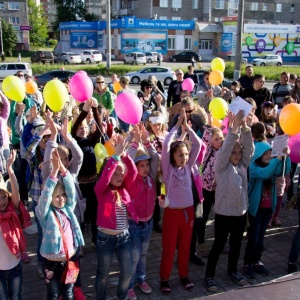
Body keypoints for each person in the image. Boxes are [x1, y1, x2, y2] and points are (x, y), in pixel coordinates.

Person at [204, 111, 254, 292]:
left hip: (240, 213)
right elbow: (225, 151)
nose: (237, 155)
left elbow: (249, 149)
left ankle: (232, 270)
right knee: (218, 245)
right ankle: (209, 275)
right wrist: (233, 132)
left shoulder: (242, 165)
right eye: (234, 152)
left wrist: (245, 128)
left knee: (236, 244)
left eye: (239, 152)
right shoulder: (221, 166)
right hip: (224, 214)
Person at [159, 109, 203, 295]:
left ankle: (184, 276)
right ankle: (164, 279)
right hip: (172, 214)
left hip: (189, 213)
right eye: (180, 155)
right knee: (169, 249)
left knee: (185, 248)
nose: (184, 157)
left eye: (186, 154)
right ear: (172, 157)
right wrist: (176, 128)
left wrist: (188, 130)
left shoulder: (189, 167)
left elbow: (199, 145)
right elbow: (166, 145)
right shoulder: (168, 169)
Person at [94, 136, 138, 300]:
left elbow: (133, 172)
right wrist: (115, 157)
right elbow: (105, 177)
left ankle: (122, 296)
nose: (120, 176)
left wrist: (124, 155)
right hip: (105, 239)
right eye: (116, 173)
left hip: (123, 237)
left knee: (127, 273)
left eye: (121, 172)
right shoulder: (101, 190)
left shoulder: (124, 188)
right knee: (103, 274)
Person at [36, 149, 85, 299]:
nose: (61, 199)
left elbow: (71, 188)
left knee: (69, 293)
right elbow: (45, 196)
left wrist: (63, 170)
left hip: (70, 261)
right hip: (51, 264)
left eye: (62, 195)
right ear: (50, 199)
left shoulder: (68, 208)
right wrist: (54, 171)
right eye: (56, 196)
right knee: (53, 294)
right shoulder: (44, 213)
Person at [243, 141, 291, 279]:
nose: (269, 155)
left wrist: (285, 157)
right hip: (255, 210)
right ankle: (247, 263)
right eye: (266, 153)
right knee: (254, 238)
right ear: (258, 154)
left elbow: (285, 170)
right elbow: (265, 174)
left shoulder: (272, 166)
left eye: (271, 153)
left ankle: (256, 261)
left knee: (261, 238)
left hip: (267, 210)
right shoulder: (253, 167)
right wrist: (277, 160)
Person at [126, 124, 159, 300]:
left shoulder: (151, 177)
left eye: (147, 165)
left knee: (144, 254)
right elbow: (128, 161)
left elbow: (156, 158)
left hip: (148, 223)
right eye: (142, 165)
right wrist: (134, 143)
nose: (146, 168)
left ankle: (141, 279)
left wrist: (147, 142)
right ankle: (129, 285)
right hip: (134, 224)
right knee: (133, 256)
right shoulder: (131, 179)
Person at [71, 98, 105, 245]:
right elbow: (76, 126)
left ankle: (96, 239)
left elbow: (100, 130)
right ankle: (78, 244)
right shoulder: (73, 141)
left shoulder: (90, 141)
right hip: (80, 186)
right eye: (80, 128)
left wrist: (96, 110)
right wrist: (84, 111)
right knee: (81, 216)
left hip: (93, 185)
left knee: (95, 213)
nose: (83, 129)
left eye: (85, 127)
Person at [0, 150, 31, 299]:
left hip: (14, 265)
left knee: (15, 297)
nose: (2, 201)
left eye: (4, 196)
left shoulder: (12, 209)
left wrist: (10, 171)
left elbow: (16, 191)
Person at [196, 114, 225, 258]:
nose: (219, 141)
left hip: (220, 189)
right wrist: (208, 126)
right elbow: (205, 142)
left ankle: (220, 242)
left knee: (220, 217)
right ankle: (200, 243)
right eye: (216, 139)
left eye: (221, 138)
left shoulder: (224, 152)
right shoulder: (207, 152)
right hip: (206, 189)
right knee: (204, 217)